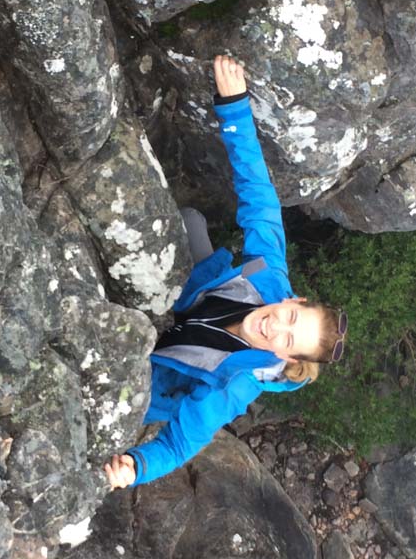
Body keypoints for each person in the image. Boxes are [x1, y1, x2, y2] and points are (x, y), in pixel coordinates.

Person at [104, 55, 347, 490]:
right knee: (189, 220)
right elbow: (260, 197)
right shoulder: (270, 273)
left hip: (159, 370)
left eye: (288, 341)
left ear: (287, 358)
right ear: (292, 300)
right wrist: (235, 108)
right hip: (190, 297)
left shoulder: (234, 386)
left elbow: (180, 443)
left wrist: (136, 467)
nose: (277, 326)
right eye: (290, 317)